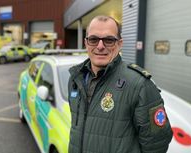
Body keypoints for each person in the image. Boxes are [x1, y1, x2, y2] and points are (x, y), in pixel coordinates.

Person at [68, 15, 173, 153]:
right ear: (86, 43)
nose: (100, 46)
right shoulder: (76, 79)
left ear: (119, 43)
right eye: (93, 39)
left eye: (109, 40)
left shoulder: (139, 85)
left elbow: (157, 144)